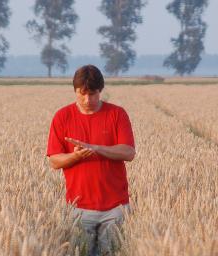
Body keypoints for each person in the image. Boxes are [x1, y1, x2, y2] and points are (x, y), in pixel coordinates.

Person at [46, 65, 135, 255]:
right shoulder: (62, 117)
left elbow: (128, 152)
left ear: (100, 90)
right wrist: (76, 156)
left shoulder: (117, 114)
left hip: (116, 208)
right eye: (82, 94)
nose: (87, 100)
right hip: (77, 208)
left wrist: (96, 148)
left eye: (93, 94)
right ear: (75, 91)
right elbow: (54, 161)